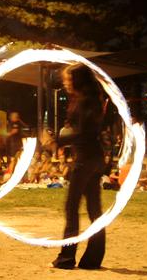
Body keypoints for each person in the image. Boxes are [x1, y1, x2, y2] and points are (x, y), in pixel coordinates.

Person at [51, 63, 106, 270]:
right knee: (94, 210)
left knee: (71, 207)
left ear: (77, 80)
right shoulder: (90, 100)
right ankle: (93, 260)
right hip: (94, 158)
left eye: (67, 79)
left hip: (85, 158)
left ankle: (66, 259)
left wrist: (56, 141)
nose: (65, 83)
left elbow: (82, 133)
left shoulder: (83, 102)